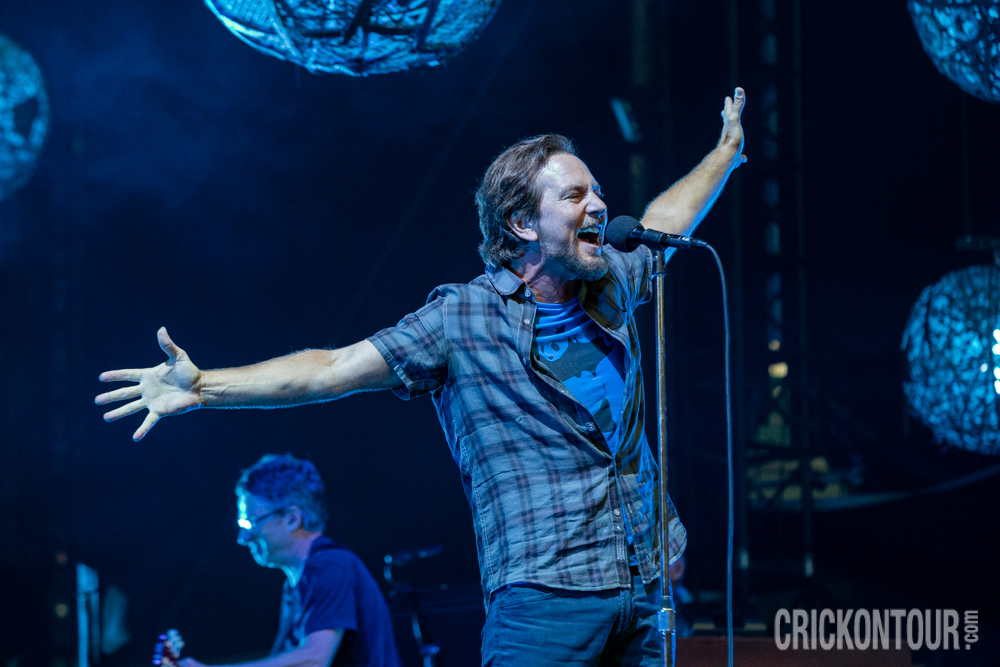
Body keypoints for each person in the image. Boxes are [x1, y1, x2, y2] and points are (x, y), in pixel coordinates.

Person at [97, 88, 746, 666]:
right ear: (523, 222)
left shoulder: (610, 284)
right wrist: (205, 385)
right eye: (576, 195)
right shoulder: (462, 318)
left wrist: (725, 153)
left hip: (645, 584)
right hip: (548, 600)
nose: (600, 205)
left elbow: (667, 219)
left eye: (598, 191)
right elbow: (332, 368)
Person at [171, 454, 402, 667]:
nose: (243, 538)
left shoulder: (331, 566)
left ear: (291, 518)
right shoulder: (296, 583)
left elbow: (314, 660)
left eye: (250, 522)